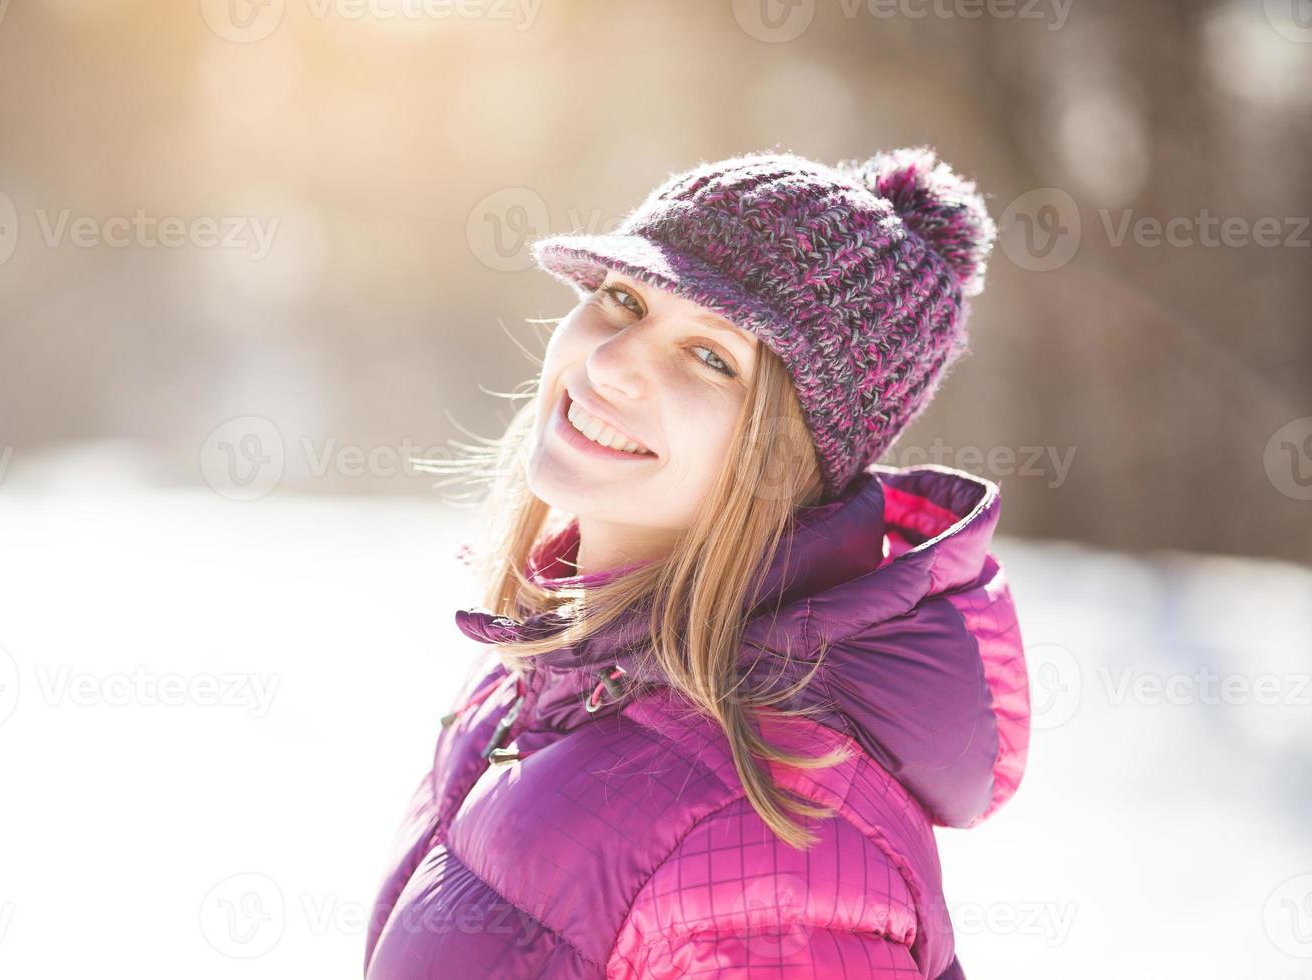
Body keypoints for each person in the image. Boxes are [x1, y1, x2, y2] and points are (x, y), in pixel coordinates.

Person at [364, 146, 1030, 978]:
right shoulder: (546, 661)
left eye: (710, 356)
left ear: (793, 461)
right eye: (621, 299)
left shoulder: (770, 855)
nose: (609, 362)